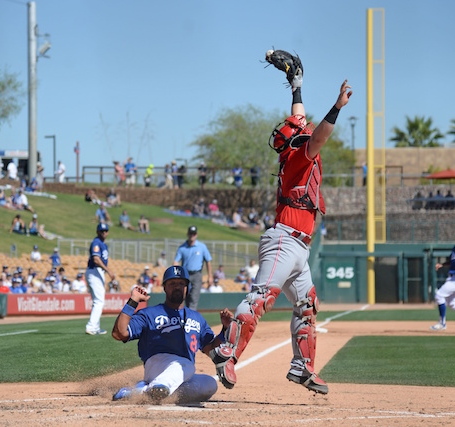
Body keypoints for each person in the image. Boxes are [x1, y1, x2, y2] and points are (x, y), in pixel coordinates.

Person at [209, 50, 352, 395]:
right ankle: (225, 351)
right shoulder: (299, 158)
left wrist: (296, 86)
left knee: (307, 305)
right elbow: (318, 136)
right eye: (299, 130)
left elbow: (299, 120)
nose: (304, 126)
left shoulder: (294, 150)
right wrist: (337, 107)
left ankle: (302, 367)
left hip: (299, 246)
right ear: (295, 141)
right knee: (262, 298)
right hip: (284, 241)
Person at [110, 266, 233, 403]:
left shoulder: (196, 318)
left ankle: (138, 392)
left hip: (181, 372)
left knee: (210, 384)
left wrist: (225, 329)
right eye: (172, 283)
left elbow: (210, 349)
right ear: (164, 287)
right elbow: (119, 333)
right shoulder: (150, 313)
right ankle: (158, 386)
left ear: (187, 287)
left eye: (181, 283)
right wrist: (133, 301)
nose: (177, 287)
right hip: (157, 364)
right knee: (185, 364)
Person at [86, 223, 116, 335]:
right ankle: (91, 326)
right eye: (102, 231)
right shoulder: (96, 242)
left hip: (97, 272)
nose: (104, 232)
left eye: (106, 230)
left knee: (98, 301)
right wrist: (108, 271)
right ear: (97, 232)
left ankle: (95, 326)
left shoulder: (103, 244)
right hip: (94, 271)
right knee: (99, 301)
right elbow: (96, 259)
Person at [174, 225, 212, 310]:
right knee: (184, 297)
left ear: (196, 235)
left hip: (196, 274)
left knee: (194, 297)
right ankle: (185, 315)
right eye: (190, 233)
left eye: (194, 234)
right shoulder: (182, 247)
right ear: (188, 234)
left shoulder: (201, 247)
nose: (192, 235)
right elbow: (176, 261)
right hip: (185, 274)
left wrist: (210, 276)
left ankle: (190, 317)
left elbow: (208, 261)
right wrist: (175, 273)